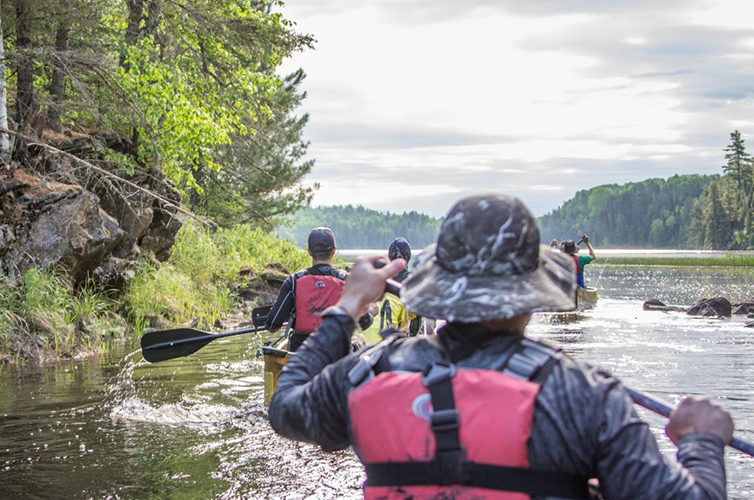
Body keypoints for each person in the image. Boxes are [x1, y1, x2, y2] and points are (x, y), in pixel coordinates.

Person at [269, 194, 732, 500]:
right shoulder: (586, 395)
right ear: (531, 294)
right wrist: (702, 442)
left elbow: (286, 406)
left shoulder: (366, 374)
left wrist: (348, 306)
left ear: (441, 289)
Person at [263, 227, 372, 352]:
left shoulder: (294, 281)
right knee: (359, 338)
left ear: (309, 252)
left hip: (301, 351)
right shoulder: (347, 281)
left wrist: (292, 315)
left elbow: (272, 325)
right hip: (336, 352)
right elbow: (364, 323)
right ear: (334, 251)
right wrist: (370, 313)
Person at [361, 238, 420, 344]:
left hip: (365, 341)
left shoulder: (377, 280)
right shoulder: (414, 282)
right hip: (386, 344)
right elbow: (414, 327)